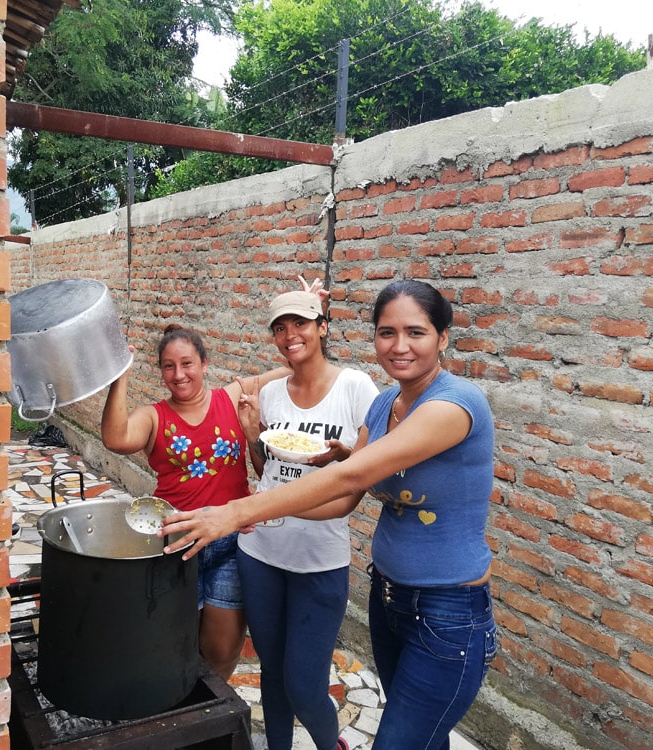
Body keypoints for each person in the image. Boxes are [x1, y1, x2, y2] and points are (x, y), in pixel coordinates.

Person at [162, 279, 498, 750]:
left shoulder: (455, 402)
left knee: (374, 724)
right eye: (386, 333)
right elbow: (338, 489)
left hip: (445, 608)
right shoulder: (385, 405)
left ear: (443, 337)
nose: (399, 346)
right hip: (387, 595)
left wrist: (234, 512)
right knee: (414, 734)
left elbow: (348, 483)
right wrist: (312, 452)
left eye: (416, 332)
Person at [235, 281, 379, 750]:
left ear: (322, 326)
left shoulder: (356, 387)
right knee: (272, 674)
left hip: (320, 560)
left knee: (304, 683)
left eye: (300, 322)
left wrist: (343, 457)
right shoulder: (273, 391)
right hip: (260, 551)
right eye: (280, 327)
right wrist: (252, 431)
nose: (289, 334)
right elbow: (268, 471)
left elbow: (364, 475)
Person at [100, 323, 288, 680]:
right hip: (175, 544)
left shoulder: (231, 397)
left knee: (222, 649)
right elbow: (115, 437)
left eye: (187, 363)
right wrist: (119, 376)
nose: (179, 374)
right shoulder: (155, 416)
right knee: (172, 641)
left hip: (232, 543)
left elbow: (294, 368)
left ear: (204, 364)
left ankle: (209, 710)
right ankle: (175, 706)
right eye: (169, 366)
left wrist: (312, 318)